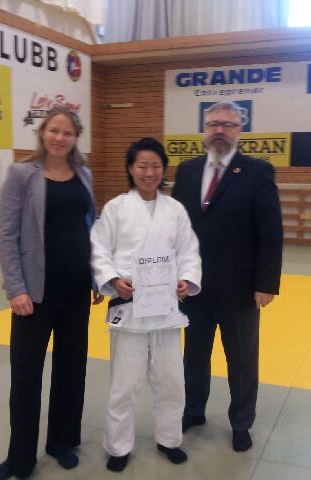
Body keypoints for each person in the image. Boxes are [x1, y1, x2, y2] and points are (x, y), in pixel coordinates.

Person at [0, 106, 102, 480]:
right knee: (26, 376)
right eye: (54, 130)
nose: (60, 137)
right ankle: (19, 458)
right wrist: (15, 288)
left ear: (76, 137)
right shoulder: (22, 174)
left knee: (72, 370)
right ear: (42, 132)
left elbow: (92, 229)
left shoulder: (84, 174)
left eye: (67, 133)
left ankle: (61, 442)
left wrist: (98, 277)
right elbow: (7, 235)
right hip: (33, 296)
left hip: (75, 291)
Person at [171, 101, 283, 452]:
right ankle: (193, 410)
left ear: (239, 131)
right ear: (205, 129)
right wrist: (171, 273)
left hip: (240, 289)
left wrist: (266, 283)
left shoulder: (257, 171)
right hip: (193, 287)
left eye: (228, 124)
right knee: (194, 356)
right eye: (214, 124)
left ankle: (241, 423)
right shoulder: (187, 171)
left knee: (241, 361)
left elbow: (270, 231)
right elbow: (175, 227)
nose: (219, 130)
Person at [90, 138, 202, 472]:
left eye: (156, 166)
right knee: (124, 384)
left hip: (166, 310)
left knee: (171, 381)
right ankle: (118, 446)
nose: (149, 172)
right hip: (129, 307)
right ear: (130, 168)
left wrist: (186, 280)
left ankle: (169, 439)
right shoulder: (115, 208)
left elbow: (189, 251)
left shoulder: (175, 209)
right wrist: (113, 280)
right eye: (143, 166)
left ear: (163, 169)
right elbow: (99, 249)